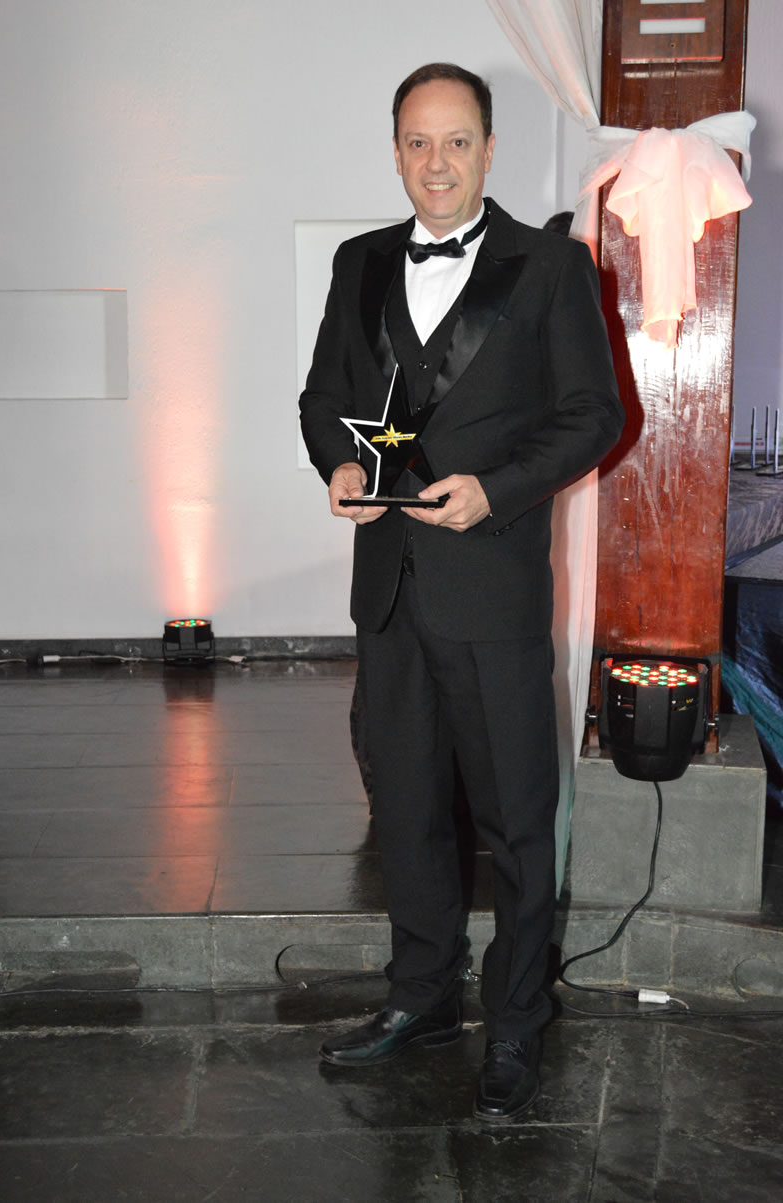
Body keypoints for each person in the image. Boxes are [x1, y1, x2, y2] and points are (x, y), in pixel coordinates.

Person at [299, 63, 623, 1122]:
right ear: (395, 151)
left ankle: (517, 1018)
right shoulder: (356, 263)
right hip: (390, 592)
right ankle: (422, 997)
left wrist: (497, 490)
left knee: (516, 820)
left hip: (490, 591)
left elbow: (592, 416)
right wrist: (336, 466)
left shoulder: (551, 266)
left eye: (455, 141)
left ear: (488, 148)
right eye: (416, 142)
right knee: (405, 810)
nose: (435, 163)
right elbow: (323, 399)